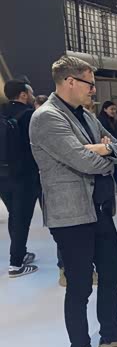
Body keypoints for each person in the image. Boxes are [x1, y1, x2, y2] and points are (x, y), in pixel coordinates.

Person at [30, 55, 117, 347]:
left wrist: (103, 149)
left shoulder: (86, 116)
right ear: (70, 82)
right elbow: (85, 162)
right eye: (90, 83)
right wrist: (100, 153)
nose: (94, 89)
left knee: (112, 271)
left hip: (99, 210)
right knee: (80, 284)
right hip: (71, 215)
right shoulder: (47, 117)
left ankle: (110, 334)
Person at [1, 79, 40, 278]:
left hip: (2, 175)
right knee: (21, 218)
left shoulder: (2, 112)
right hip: (24, 175)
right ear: (23, 95)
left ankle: (21, 253)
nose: (32, 96)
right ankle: (16, 264)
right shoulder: (30, 115)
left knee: (14, 215)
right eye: (30, 93)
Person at [98, 101, 117, 198]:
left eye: (115, 109)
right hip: (106, 148)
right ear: (105, 109)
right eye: (111, 109)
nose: (114, 111)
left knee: (116, 171)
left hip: (113, 148)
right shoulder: (101, 121)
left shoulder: (111, 121)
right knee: (114, 171)